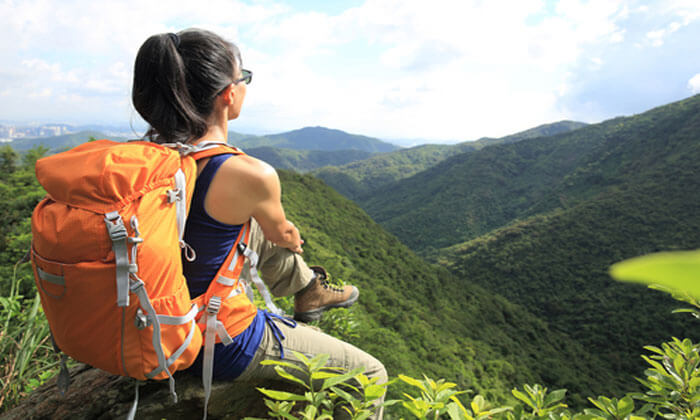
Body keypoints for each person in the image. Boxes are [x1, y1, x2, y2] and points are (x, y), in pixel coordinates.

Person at [131, 28, 387, 419]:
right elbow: (281, 232)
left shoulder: (142, 159)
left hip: (143, 318)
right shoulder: (247, 173)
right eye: (242, 77)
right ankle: (308, 289)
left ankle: (309, 290)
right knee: (370, 375)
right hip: (215, 337)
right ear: (228, 94)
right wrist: (287, 231)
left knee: (243, 219)